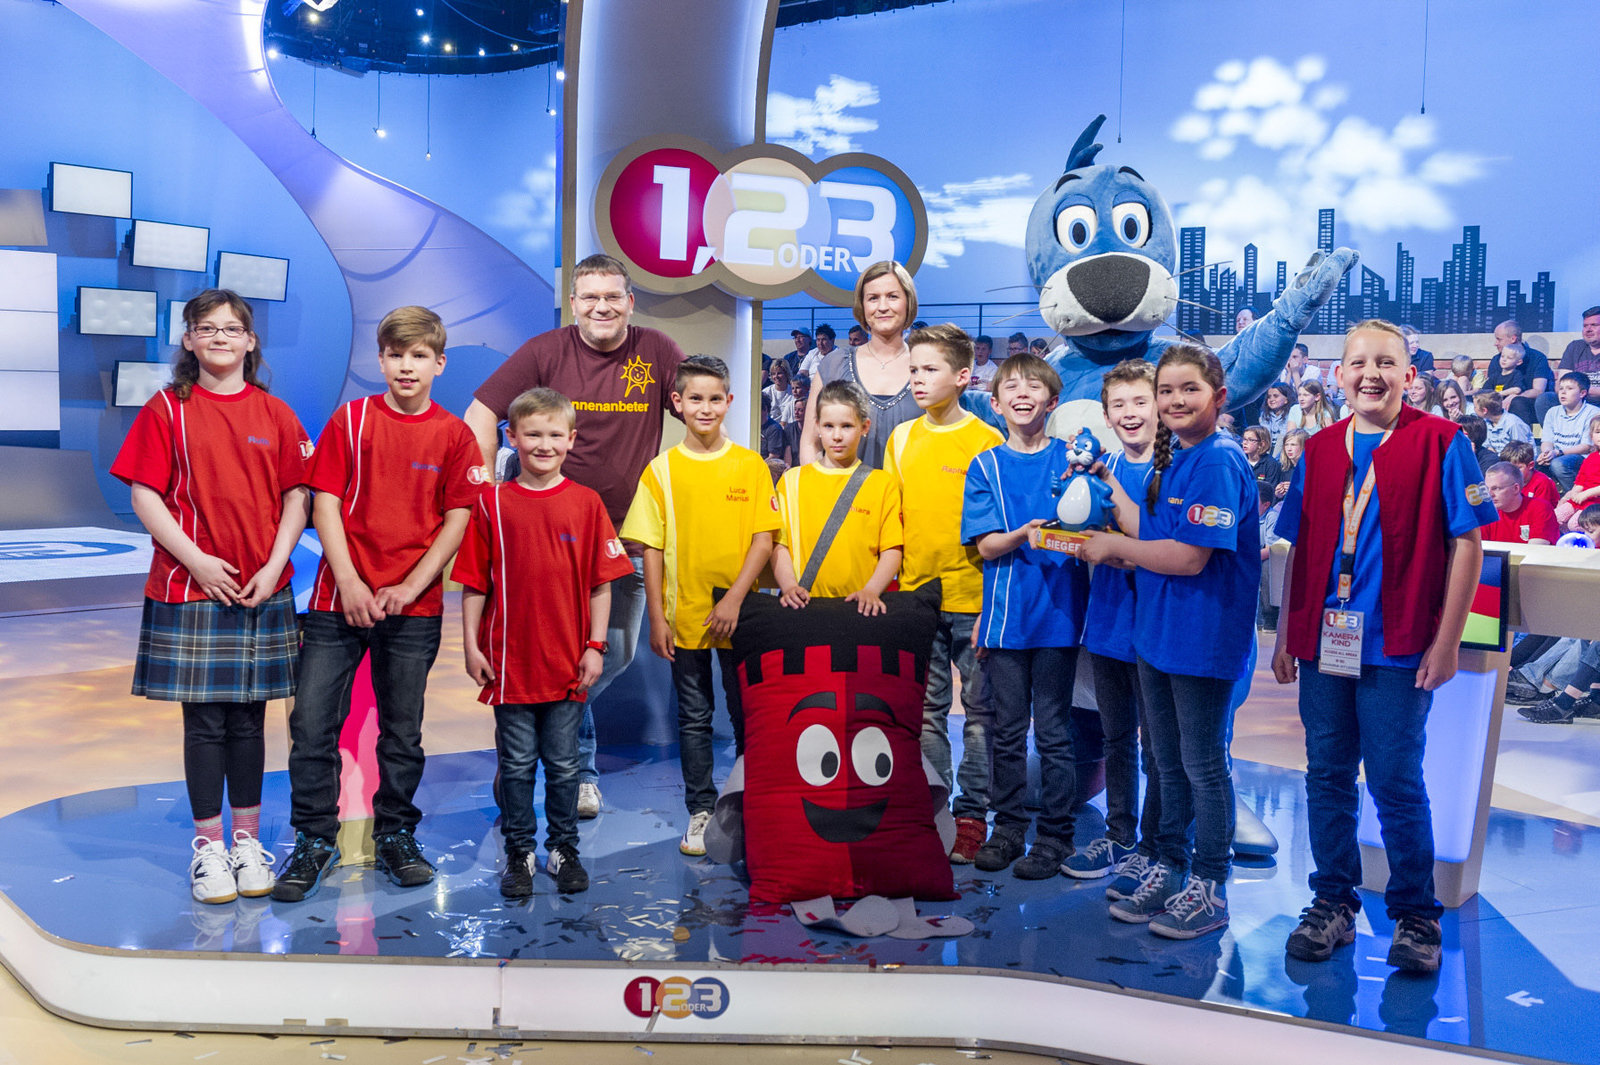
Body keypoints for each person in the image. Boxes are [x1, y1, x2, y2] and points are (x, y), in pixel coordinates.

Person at [1271, 319, 1495, 973]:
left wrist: (1447, 641)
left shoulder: (1442, 442)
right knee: (1327, 774)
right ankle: (1333, 902)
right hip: (1324, 644)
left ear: (1409, 374)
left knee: (1396, 782)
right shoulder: (1319, 449)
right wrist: (1286, 632)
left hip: (1398, 645)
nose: (1371, 374)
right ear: (1338, 374)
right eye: (1359, 363)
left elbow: (1468, 544)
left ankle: (1416, 915)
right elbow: (1297, 547)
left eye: (1386, 363)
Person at [465, 254, 685, 820]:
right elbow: (481, 413)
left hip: (627, 537)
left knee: (612, 653)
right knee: (555, 654)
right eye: (590, 297)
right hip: (547, 540)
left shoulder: (657, 351)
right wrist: (486, 493)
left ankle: (544, 741)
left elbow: (698, 406)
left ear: (629, 302)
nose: (601, 307)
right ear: (573, 304)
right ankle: (578, 769)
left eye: (612, 296)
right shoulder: (546, 351)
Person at [110, 289, 311, 904]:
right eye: (207, 328)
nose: (220, 337)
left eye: (232, 328)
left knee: (249, 721)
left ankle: (246, 843)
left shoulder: (276, 414)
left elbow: (297, 497)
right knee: (204, 724)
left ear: (250, 341)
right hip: (190, 586)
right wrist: (196, 561)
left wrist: (274, 568)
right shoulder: (166, 410)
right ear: (189, 340)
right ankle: (208, 849)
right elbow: (145, 494)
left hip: (260, 589)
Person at [275, 307, 481, 903]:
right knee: (311, 724)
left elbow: (457, 520)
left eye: (419, 355)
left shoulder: (455, 435)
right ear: (381, 360)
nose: (406, 366)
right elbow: (325, 505)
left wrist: (409, 588)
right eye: (395, 355)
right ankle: (314, 840)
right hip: (336, 604)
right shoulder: (351, 419)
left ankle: (396, 834)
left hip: (412, 610)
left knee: (402, 732)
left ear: (439, 363)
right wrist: (350, 582)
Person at [1079, 343, 1261, 940]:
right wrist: (1108, 483)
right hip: (1157, 635)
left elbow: (1188, 557)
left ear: (1219, 396)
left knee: (1202, 765)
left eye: (1189, 389)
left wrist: (1115, 547)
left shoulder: (1218, 461)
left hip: (1201, 639)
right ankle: (1169, 863)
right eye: (1167, 390)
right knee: (1166, 760)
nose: (1175, 400)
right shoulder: (1175, 456)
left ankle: (1210, 885)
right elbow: (1149, 529)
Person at [457, 389, 633, 897]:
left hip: (567, 665)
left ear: (571, 439)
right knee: (515, 765)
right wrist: (471, 646)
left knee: (564, 764)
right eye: (532, 434)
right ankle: (519, 853)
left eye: (555, 434)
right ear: (512, 437)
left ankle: (563, 849)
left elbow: (602, 585)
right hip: (509, 664)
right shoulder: (491, 504)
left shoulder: (587, 503)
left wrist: (595, 646)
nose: (544, 444)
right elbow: (474, 584)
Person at [619, 356, 778, 857]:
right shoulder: (661, 471)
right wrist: (657, 618)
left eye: (714, 399)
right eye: (695, 399)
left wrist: (734, 598)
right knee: (694, 716)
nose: (705, 408)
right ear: (678, 403)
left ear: (728, 401)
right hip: (684, 615)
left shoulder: (751, 465)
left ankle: (753, 804)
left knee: (748, 713)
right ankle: (701, 809)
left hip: (741, 615)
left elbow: (765, 539)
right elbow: (650, 547)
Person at [961, 354, 1091, 878]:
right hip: (1007, 621)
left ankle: (1056, 836)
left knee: (1055, 733)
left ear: (1052, 401)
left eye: (1033, 386)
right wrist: (1024, 534)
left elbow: (1092, 527)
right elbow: (987, 546)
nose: (1022, 393)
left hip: (1060, 618)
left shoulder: (1074, 462)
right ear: (995, 404)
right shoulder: (985, 466)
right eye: (1010, 387)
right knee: (1009, 731)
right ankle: (1009, 829)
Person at [884, 323, 1005, 862]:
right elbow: (892, 521)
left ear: (963, 376)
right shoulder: (900, 438)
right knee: (927, 714)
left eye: (930, 369)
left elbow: (999, 530)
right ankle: (933, 810)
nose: (918, 379)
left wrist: (993, 606)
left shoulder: (986, 440)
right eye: (913, 369)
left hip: (973, 599)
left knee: (979, 715)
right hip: (916, 600)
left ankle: (972, 814)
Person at [1064, 359, 1160, 887]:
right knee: (1117, 737)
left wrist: (1117, 549)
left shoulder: (1173, 468)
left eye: (1139, 401)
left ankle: (1160, 847)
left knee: (1159, 748)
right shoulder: (1102, 466)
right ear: (1105, 415)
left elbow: (1158, 543)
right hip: (1106, 622)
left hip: (1157, 628)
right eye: (1118, 404)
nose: (1129, 413)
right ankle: (1121, 835)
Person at [772, 380, 902, 613]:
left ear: (865, 427)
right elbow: (779, 544)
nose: (837, 436)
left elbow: (892, 549)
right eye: (829, 426)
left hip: (860, 607)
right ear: (817, 427)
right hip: (803, 605)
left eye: (847, 426)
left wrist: (872, 590)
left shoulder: (882, 484)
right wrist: (789, 586)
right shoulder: (792, 481)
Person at [802, 261, 922, 468]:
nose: (882, 307)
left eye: (892, 296)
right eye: (873, 298)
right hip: (844, 489)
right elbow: (810, 443)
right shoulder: (834, 364)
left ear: (908, 302)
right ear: (862, 305)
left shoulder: (927, 365)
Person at [1538, 371, 1599, 491]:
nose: (1563, 392)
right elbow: (1547, 440)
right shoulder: (1552, 412)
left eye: (1569, 388)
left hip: (1581, 457)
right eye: (1561, 388)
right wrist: (1546, 453)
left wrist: (1558, 452)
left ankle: (1575, 495)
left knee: (1558, 464)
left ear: (1582, 393)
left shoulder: (1593, 413)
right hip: (1556, 454)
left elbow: (1587, 446)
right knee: (1534, 463)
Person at [1484, 321, 1551, 426]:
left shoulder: (1537, 358)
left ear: (1513, 339)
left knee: (1518, 402)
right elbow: (1489, 388)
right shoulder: (1497, 360)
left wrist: (1515, 396)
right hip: (1499, 403)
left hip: (1528, 405)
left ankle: (1521, 436)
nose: (1495, 343)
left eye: (1499, 339)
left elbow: (1538, 390)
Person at [1481, 462, 1559, 545]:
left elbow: (1536, 550)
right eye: (1486, 489)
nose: (1490, 494)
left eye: (1496, 488)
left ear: (1516, 488)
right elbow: (1478, 548)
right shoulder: (1487, 514)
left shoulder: (1540, 508)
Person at [1555, 418, 1600, 528]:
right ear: (1591, 436)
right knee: (1555, 517)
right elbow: (1580, 482)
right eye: (1598, 432)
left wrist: (1586, 494)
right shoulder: (1590, 458)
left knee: (1574, 524)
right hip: (1582, 499)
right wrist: (1572, 494)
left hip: (1595, 503)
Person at [1556, 306, 1600, 402]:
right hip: (1577, 401)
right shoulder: (1575, 347)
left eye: (1594, 325)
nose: (1588, 329)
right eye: (1585, 326)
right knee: (1546, 399)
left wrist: (1581, 390)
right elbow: (1561, 384)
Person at [1501, 441, 1561, 509]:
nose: (1511, 472)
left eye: (1517, 468)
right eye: (1507, 468)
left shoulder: (1542, 482)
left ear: (1530, 465)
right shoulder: (1508, 481)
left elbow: (1540, 510)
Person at [1241, 426, 1283, 493]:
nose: (1245, 443)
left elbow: (1270, 491)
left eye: (1250, 440)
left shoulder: (1271, 464)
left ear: (1261, 444)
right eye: (1244, 439)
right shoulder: (1240, 461)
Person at [1258, 383, 1293, 455]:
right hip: (1268, 448)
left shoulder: (1290, 414)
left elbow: (1283, 436)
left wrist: (1274, 458)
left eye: (1276, 396)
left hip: (1284, 449)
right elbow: (1266, 435)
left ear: (1286, 400)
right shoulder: (1264, 414)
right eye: (1269, 397)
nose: (1271, 399)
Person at [1274, 429, 1309, 500]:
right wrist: (1278, 494)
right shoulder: (1282, 467)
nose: (1289, 449)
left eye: (1293, 445)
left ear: (1304, 446)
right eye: (1286, 445)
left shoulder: (1313, 468)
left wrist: (1295, 489)